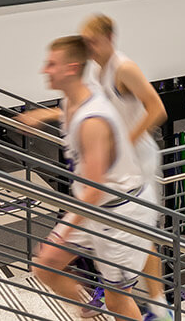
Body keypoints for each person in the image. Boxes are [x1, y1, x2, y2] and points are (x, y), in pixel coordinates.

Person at [30, 36, 158, 321]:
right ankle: (88, 303)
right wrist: (41, 114)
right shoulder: (75, 98)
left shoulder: (92, 122)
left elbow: (94, 190)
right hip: (94, 208)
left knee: (118, 301)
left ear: (71, 68)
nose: (44, 70)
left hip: (120, 214)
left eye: (51, 64)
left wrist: (61, 233)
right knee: (46, 265)